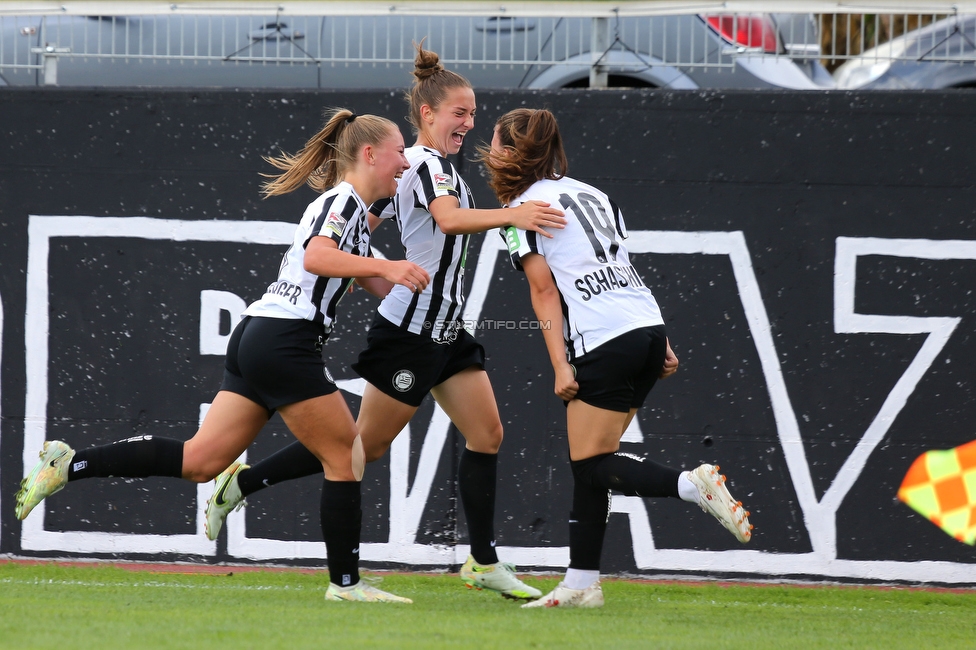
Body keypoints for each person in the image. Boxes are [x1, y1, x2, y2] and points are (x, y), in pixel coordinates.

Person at [15, 108, 431, 604]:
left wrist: (416, 282)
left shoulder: (355, 214)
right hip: (283, 340)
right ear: (369, 154)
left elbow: (373, 281)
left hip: (261, 338)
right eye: (399, 149)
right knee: (347, 455)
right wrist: (394, 266)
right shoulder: (339, 202)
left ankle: (68, 465)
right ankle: (346, 585)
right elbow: (318, 257)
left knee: (200, 460)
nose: (405, 159)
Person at [202, 42, 566, 601]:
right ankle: (245, 482)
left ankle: (482, 561)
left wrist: (368, 264)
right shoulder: (423, 164)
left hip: (447, 329)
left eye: (473, 114)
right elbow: (444, 222)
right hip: (411, 334)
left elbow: (370, 222)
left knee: (487, 434)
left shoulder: (421, 169)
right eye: (459, 113)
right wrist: (512, 215)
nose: (469, 123)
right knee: (359, 450)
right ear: (427, 114)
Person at [479, 107, 753, 609]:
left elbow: (543, 292)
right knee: (595, 461)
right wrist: (661, 341)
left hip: (603, 338)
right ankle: (582, 584)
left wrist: (561, 363)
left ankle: (692, 486)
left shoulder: (521, 211)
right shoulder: (592, 194)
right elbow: (621, 267)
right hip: (645, 330)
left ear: (514, 152)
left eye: (495, 143)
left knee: (589, 466)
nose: (489, 152)